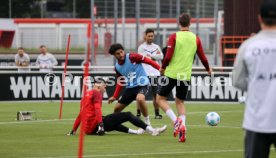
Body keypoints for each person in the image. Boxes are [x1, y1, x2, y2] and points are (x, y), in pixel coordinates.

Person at [156, 13, 212, 143]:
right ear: (190, 23)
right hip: (185, 75)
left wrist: (163, 68)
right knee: (180, 101)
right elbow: (202, 57)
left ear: (179, 23)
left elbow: (168, 56)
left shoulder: (174, 36)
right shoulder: (195, 38)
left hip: (172, 74)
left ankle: (176, 122)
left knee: (160, 99)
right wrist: (208, 69)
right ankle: (183, 127)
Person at [232, 1, 276, 157]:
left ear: (259, 19)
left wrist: (259, 84)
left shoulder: (248, 46)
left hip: (256, 121)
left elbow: (237, 81)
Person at [67, 79, 167, 136]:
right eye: (104, 87)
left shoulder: (86, 95)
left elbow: (81, 114)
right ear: (98, 87)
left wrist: (74, 130)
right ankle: (152, 130)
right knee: (127, 115)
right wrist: (101, 126)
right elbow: (97, 109)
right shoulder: (96, 94)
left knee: (114, 122)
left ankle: (136, 132)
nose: (105, 88)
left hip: (89, 130)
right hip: (96, 127)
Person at [107, 43, 161, 126]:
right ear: (114, 55)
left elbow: (148, 61)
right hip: (130, 88)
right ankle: (112, 125)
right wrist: (115, 96)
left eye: (121, 52)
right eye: (118, 53)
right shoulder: (117, 67)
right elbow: (120, 82)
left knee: (140, 99)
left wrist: (159, 68)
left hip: (143, 84)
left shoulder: (133, 57)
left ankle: (147, 123)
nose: (121, 55)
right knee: (116, 110)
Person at [136, 28, 163, 119]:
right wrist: (154, 57)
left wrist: (150, 56)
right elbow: (142, 58)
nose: (150, 37)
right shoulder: (141, 47)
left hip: (155, 73)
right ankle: (138, 113)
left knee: (156, 94)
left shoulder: (156, 47)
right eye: (149, 36)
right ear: (145, 36)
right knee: (141, 94)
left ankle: (157, 113)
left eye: (152, 36)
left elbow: (161, 56)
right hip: (144, 73)